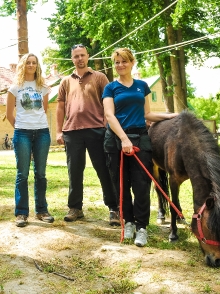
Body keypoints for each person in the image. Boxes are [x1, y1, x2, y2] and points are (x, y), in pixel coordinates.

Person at [102, 48, 177, 247]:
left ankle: (142, 227)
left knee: (141, 185)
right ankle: (128, 222)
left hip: (140, 138)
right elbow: (110, 115)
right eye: (117, 62)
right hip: (116, 140)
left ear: (132, 62)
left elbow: (148, 115)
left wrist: (169, 116)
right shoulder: (110, 88)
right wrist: (124, 139)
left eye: (124, 61)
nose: (120, 65)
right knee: (121, 185)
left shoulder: (142, 86)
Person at [56, 44, 119, 225]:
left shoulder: (100, 78)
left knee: (104, 170)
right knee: (74, 171)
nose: (80, 59)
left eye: (82, 55)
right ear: (72, 59)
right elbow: (60, 107)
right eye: (76, 56)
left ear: (88, 56)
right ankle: (75, 208)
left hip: (97, 131)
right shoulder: (65, 81)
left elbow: (109, 103)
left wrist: (107, 127)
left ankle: (114, 208)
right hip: (72, 132)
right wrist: (59, 130)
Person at [6, 53, 53, 228]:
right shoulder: (15, 87)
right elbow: (9, 115)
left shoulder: (43, 87)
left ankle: (41, 210)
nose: (31, 65)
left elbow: (44, 109)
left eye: (34, 63)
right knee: (22, 174)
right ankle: (21, 212)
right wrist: (21, 126)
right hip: (22, 134)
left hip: (42, 132)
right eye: (28, 63)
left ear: (37, 66)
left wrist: (35, 124)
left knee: (40, 173)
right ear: (23, 66)